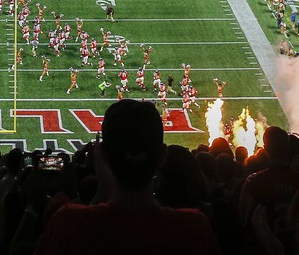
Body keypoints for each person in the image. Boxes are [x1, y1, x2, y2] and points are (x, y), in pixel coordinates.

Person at [34, 100, 222, 255]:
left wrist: (100, 194)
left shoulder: (68, 224)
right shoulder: (194, 229)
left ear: (103, 156)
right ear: (162, 157)